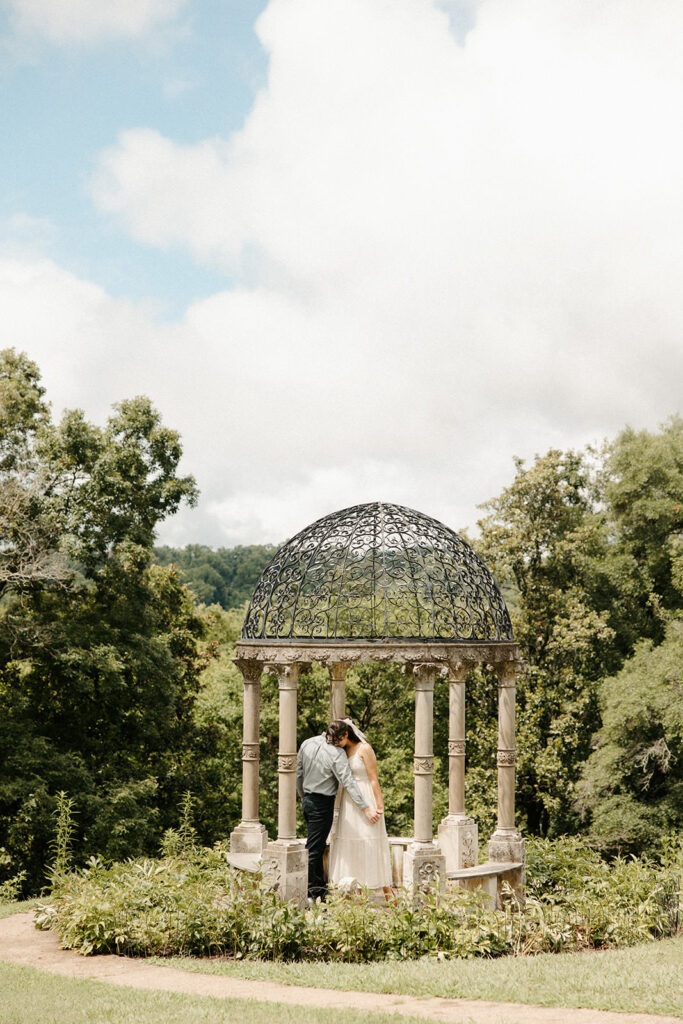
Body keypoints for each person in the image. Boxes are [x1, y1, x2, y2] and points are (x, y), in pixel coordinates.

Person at [297, 722, 381, 901]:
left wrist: (302, 796)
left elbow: (299, 773)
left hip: (307, 801)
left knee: (316, 846)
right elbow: (348, 781)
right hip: (322, 804)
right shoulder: (336, 753)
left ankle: (318, 887)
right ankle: (314, 891)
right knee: (314, 848)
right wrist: (365, 807)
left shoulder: (307, 743)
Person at [327, 718, 393, 898]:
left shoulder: (365, 749)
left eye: (338, 739)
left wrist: (379, 805)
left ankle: (386, 891)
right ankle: (354, 892)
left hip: (365, 795)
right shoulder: (343, 751)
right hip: (348, 800)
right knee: (350, 841)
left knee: (369, 840)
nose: (336, 743)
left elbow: (373, 778)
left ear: (346, 734)